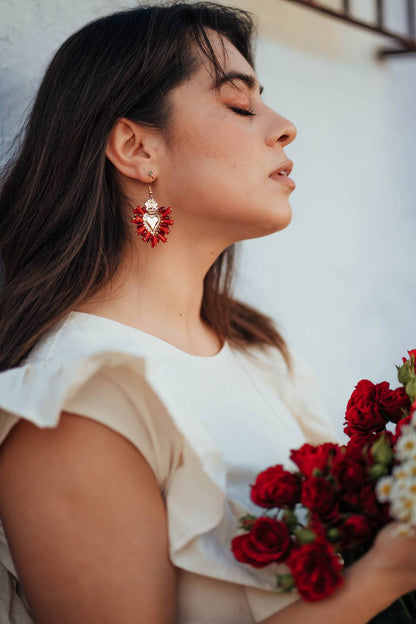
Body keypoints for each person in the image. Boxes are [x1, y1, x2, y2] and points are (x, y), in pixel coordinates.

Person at [0, 3, 415, 623]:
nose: (284, 128)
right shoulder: (75, 403)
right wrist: (385, 575)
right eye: (240, 105)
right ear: (137, 147)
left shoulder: (257, 352)